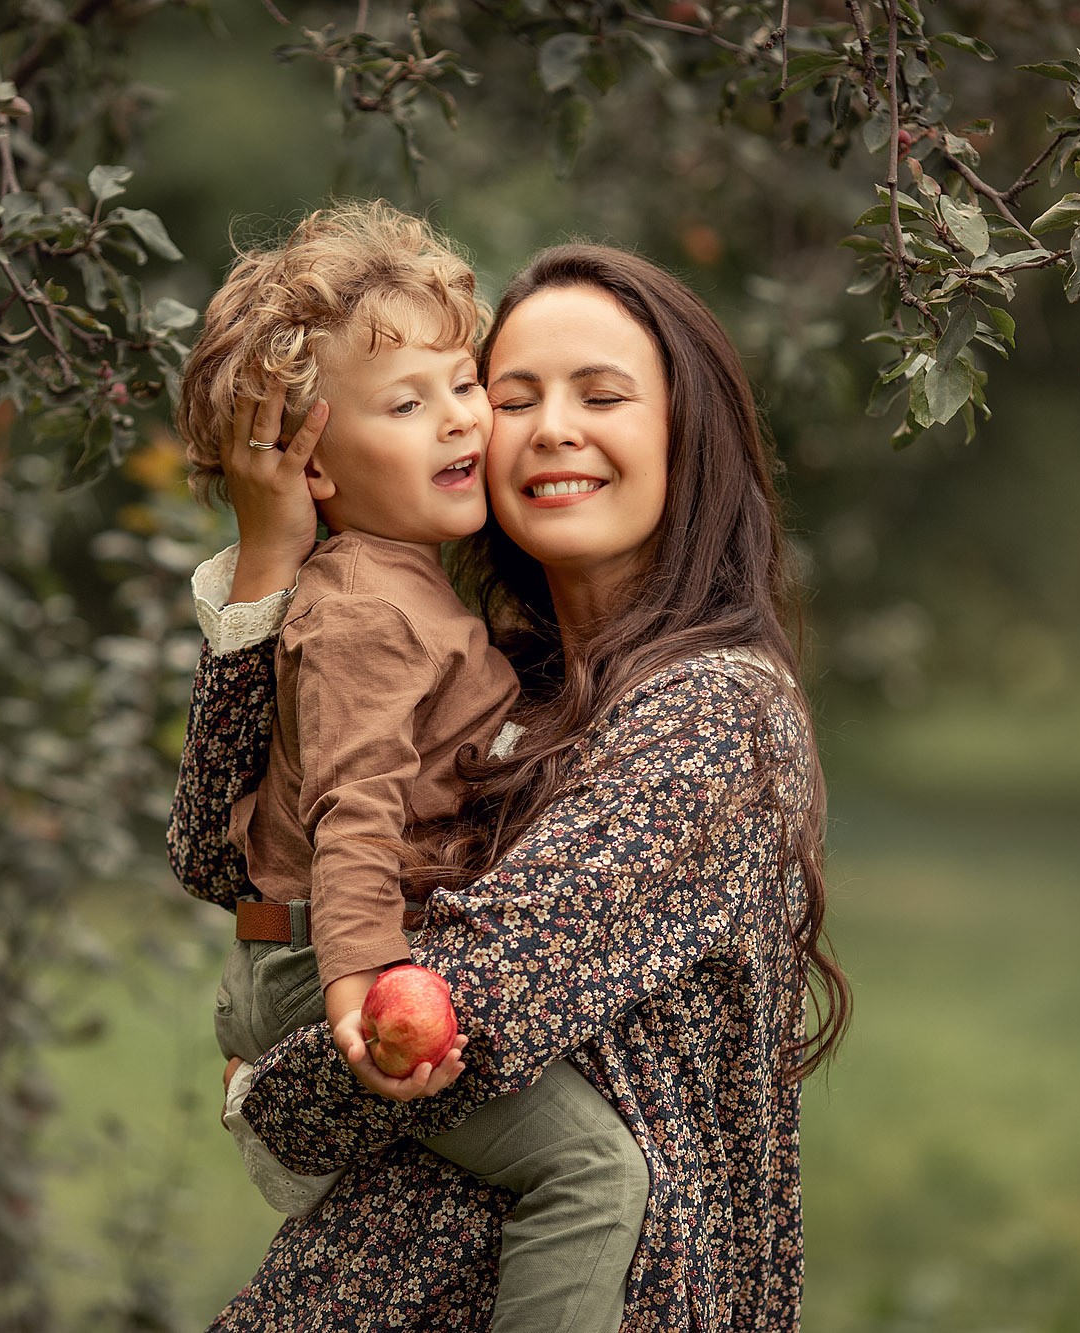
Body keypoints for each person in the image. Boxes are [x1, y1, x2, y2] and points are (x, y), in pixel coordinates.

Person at [169, 239, 850, 1330]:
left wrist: (272, 1098)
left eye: (603, 393)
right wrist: (267, 566)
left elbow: (478, 1000)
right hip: (379, 1282)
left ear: (688, 432)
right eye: (513, 393)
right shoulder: (497, 681)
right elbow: (216, 850)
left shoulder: (715, 713)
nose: (548, 429)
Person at [175, 202, 650, 1330]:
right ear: (315, 471)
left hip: (321, 954)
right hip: (325, 958)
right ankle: (281, 1100)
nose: (458, 423)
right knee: (590, 1174)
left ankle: (274, 1104)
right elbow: (351, 815)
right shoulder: (362, 615)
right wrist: (351, 999)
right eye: (405, 403)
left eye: (461, 383)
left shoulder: (410, 586)